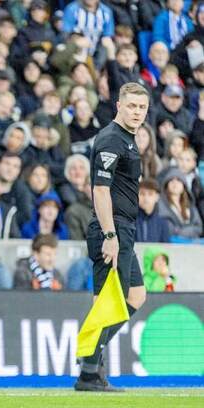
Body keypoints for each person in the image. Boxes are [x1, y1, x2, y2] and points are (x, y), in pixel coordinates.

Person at [77, 82, 149, 392]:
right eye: (131, 105)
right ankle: (89, 372)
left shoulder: (128, 140)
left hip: (124, 229)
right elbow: (100, 190)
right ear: (118, 105)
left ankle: (91, 357)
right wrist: (109, 234)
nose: (137, 112)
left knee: (135, 297)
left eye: (142, 107)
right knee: (105, 302)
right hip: (112, 229)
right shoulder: (110, 139)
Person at [157, 167, 203, 240]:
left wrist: (182, 232)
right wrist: (189, 231)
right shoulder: (160, 204)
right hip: (170, 244)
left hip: (192, 245)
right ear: (166, 185)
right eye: (171, 180)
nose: (175, 183)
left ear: (183, 186)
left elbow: (199, 227)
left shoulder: (190, 205)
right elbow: (167, 228)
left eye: (178, 180)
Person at [136, 179, 171, 243]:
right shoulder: (130, 219)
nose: (146, 198)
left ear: (157, 197)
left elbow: (166, 248)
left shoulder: (163, 222)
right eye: (142, 193)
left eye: (150, 194)